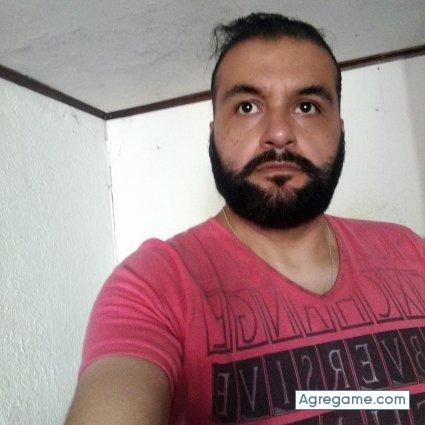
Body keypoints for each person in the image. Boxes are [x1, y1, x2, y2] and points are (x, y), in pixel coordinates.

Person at [65, 12, 425, 425]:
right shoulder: (152, 287)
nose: (279, 134)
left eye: (306, 106)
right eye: (248, 106)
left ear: (340, 129)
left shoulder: (410, 250)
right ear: (214, 131)